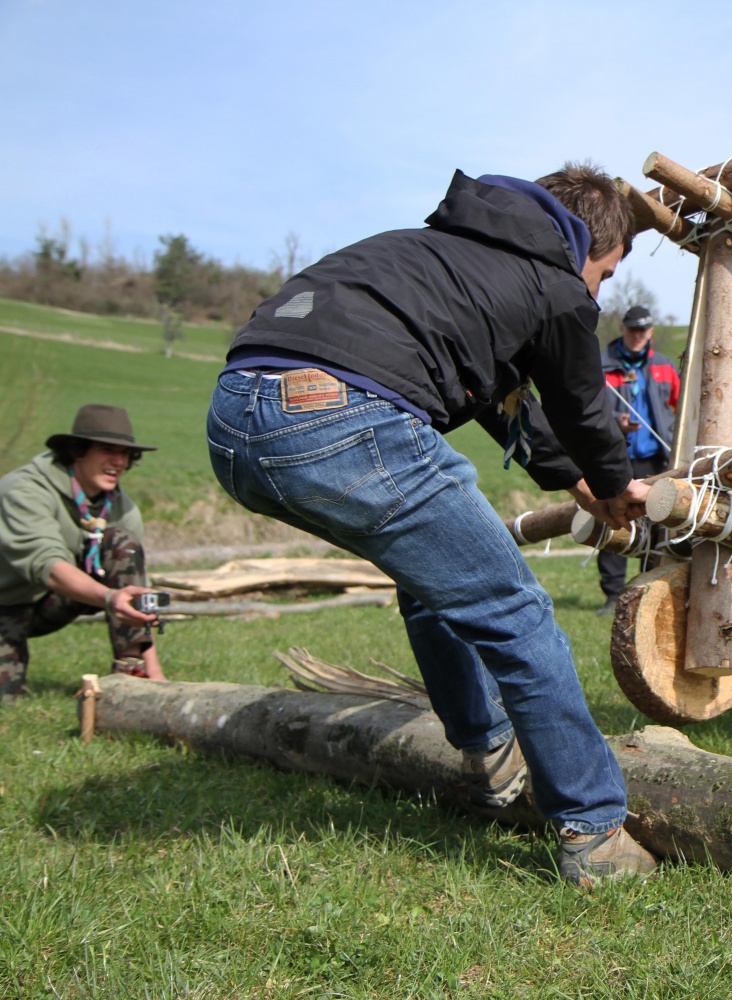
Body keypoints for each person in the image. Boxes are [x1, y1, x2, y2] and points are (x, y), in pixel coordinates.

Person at [206, 164, 655, 887]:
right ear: (586, 246)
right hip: (341, 416)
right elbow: (579, 402)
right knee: (518, 615)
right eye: (603, 275)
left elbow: (497, 394)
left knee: (435, 582)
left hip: (236, 422)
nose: (597, 294)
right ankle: (596, 833)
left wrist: (569, 477)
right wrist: (611, 486)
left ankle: (487, 755)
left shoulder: (436, 254)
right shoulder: (556, 284)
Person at [0, 405, 165, 700]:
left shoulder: (121, 506)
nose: (119, 461)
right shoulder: (24, 490)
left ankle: (131, 675)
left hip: (47, 602)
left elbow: (136, 591)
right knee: (6, 700)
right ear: (77, 451)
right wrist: (109, 597)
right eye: (107, 450)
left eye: (126, 454)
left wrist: (157, 677)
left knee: (122, 543)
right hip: (6, 603)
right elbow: (46, 564)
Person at [595, 304, 679, 614]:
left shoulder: (665, 367)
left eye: (643, 330)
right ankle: (613, 594)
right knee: (613, 524)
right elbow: (591, 409)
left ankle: (647, 584)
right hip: (616, 459)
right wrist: (617, 420)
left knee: (655, 524)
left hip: (655, 459)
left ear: (651, 332)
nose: (637, 335)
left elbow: (681, 405)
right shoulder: (602, 367)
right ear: (622, 328)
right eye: (632, 329)